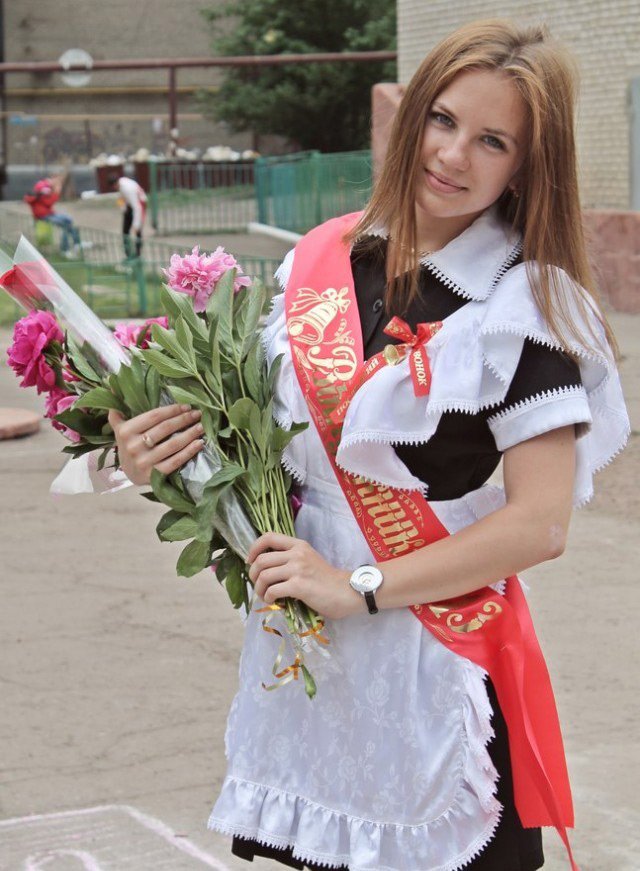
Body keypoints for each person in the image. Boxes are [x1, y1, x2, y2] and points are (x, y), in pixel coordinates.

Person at [107, 19, 629, 871]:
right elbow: (269, 450)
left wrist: (359, 583)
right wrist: (161, 455)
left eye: (492, 140)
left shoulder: (523, 305)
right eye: (443, 119)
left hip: (432, 664)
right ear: (413, 115)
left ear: (526, 166)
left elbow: (540, 525)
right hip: (308, 664)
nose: (454, 154)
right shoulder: (320, 260)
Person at [23, 175, 82, 259]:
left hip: (48, 214)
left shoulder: (40, 191)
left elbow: (46, 202)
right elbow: (48, 202)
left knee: (68, 219)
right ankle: (66, 249)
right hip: (44, 216)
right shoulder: (42, 190)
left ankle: (76, 243)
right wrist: (57, 191)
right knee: (65, 224)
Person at [107, 172, 147, 260]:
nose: (114, 188)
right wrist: (123, 209)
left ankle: (138, 254)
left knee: (137, 230)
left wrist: (136, 224)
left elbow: (137, 207)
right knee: (125, 230)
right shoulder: (120, 186)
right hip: (129, 205)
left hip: (139, 203)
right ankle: (128, 254)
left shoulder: (128, 189)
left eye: (115, 185)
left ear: (117, 183)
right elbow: (121, 198)